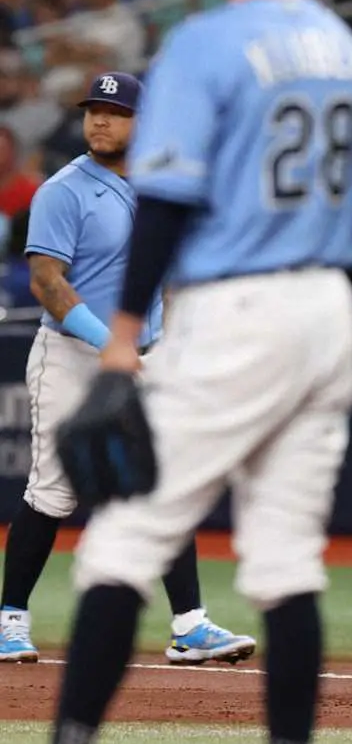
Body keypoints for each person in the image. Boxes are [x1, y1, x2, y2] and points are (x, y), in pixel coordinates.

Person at [50, 0, 352, 744]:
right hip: (326, 308)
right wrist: (321, 300)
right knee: (284, 562)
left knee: (122, 542)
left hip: (236, 309)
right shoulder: (351, 50)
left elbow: (163, 201)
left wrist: (123, 340)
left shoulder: (208, 40)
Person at [0, 72, 255, 666]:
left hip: (146, 354)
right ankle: (9, 616)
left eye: (115, 111)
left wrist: (165, 343)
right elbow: (46, 281)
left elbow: (167, 271)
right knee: (54, 490)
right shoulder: (63, 190)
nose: (100, 121)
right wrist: (109, 342)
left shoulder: (158, 189)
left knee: (163, 487)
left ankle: (189, 625)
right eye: (94, 111)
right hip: (72, 352)